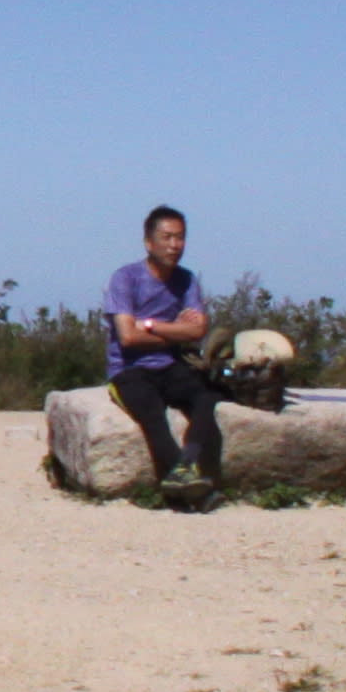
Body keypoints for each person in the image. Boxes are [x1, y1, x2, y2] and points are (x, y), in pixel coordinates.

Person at [103, 205, 226, 500]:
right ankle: (187, 487)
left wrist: (149, 325)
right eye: (167, 237)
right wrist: (174, 332)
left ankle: (185, 467)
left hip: (170, 366)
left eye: (180, 238)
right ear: (149, 242)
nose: (174, 245)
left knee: (207, 397)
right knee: (151, 411)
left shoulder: (186, 280)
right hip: (129, 369)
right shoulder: (125, 278)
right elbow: (128, 337)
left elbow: (197, 331)